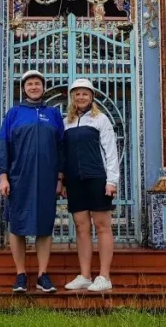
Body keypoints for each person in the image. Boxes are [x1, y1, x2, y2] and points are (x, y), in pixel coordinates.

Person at [0, 69, 65, 294]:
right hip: (19, 178)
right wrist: (3, 177)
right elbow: (2, 146)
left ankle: (43, 275)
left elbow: (62, 148)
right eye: (30, 84)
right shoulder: (14, 114)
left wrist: (60, 178)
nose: (34, 87)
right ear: (24, 89)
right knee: (17, 226)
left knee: (44, 226)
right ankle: (21, 274)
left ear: (43, 87)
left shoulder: (53, 114)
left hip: (47, 179)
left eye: (37, 83)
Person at [61, 78, 120, 293]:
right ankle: (85, 275)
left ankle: (104, 276)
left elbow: (110, 152)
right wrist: (64, 181)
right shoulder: (66, 122)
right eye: (77, 94)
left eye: (85, 93)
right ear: (72, 97)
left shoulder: (100, 119)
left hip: (97, 178)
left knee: (102, 225)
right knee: (81, 227)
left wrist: (111, 181)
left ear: (92, 96)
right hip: (75, 180)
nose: (81, 97)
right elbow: (64, 154)